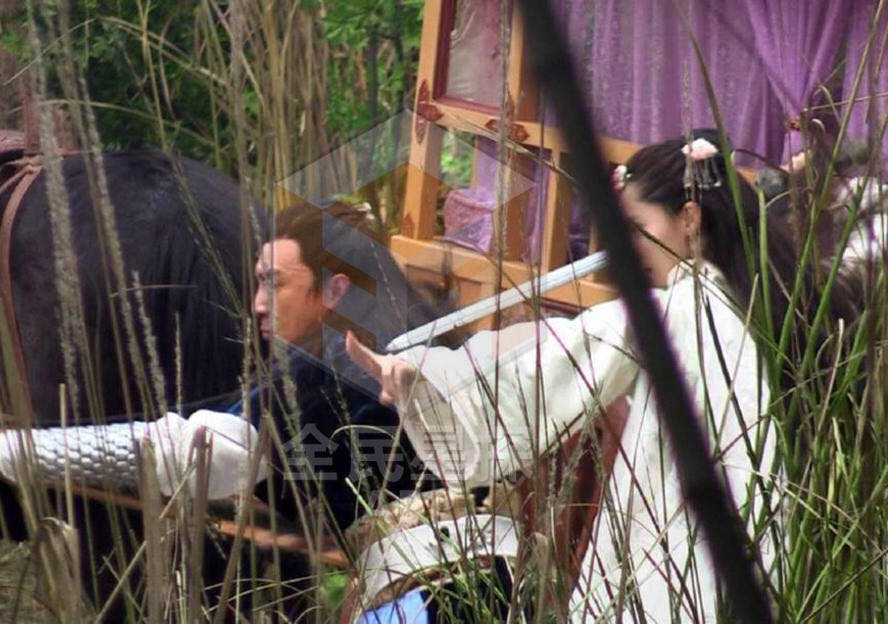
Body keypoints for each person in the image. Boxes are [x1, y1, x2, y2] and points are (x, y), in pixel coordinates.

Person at [342, 131, 856, 622]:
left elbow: (547, 365)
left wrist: (428, 379)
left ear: (689, 218)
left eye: (636, 226)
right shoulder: (777, 306)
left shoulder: (676, 314)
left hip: (689, 564)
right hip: (774, 566)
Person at [0, 201, 441, 617]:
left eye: (273, 284)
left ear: (335, 290)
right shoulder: (417, 331)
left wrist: (27, 452)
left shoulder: (329, 365)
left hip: (420, 590)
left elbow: (194, 450)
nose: (258, 305)